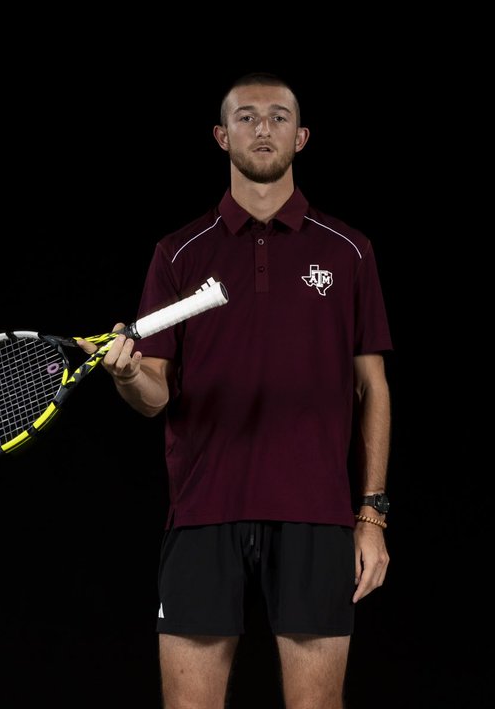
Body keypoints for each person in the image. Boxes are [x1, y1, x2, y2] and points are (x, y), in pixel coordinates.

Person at [79, 72, 392, 708]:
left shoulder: (349, 251)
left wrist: (372, 515)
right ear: (222, 136)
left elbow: (374, 389)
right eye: (246, 117)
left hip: (314, 512)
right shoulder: (178, 253)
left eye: (279, 117)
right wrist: (127, 373)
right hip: (203, 511)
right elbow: (156, 396)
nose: (262, 127)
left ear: (301, 137)